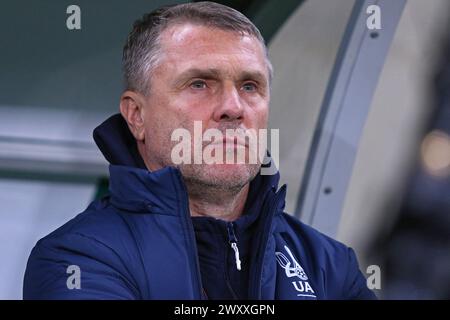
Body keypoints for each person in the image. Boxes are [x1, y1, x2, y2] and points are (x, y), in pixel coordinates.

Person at [23, 2, 375, 300]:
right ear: (136, 116)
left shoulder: (330, 266)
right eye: (199, 84)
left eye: (250, 86)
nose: (232, 107)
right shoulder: (77, 259)